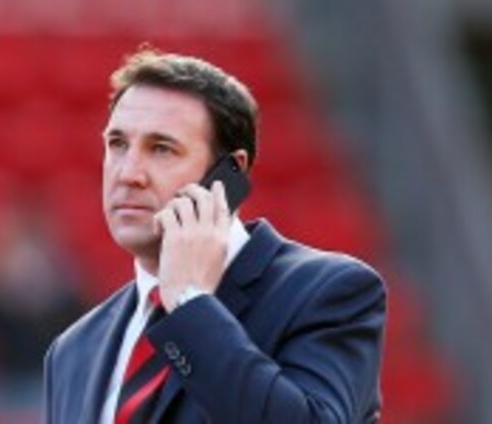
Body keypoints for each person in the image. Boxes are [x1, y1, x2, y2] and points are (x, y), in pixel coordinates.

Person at [43, 47, 386, 423]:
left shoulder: (328, 291)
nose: (128, 174)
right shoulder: (72, 350)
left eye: (161, 149)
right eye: (117, 144)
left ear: (228, 173)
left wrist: (189, 304)